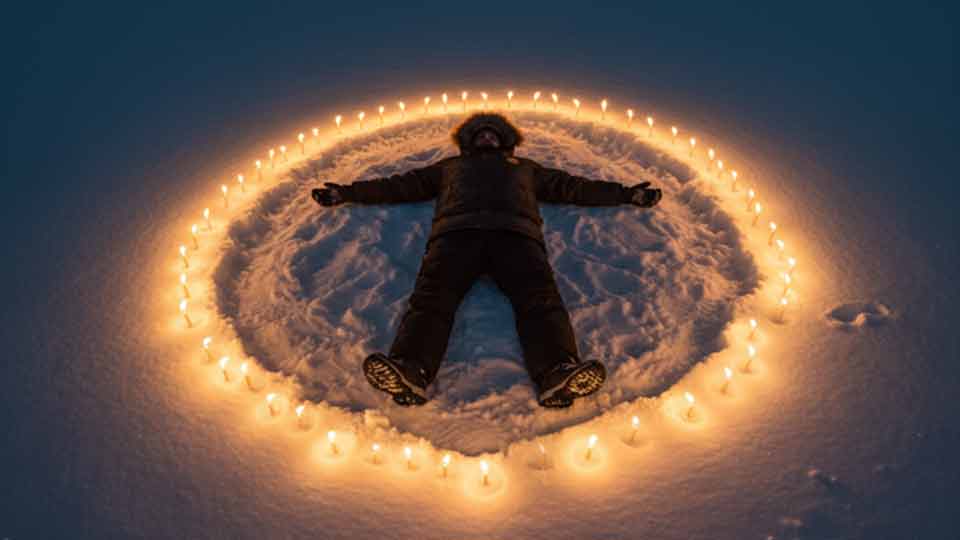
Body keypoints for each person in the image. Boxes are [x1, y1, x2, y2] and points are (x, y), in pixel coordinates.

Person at [312, 113, 662, 408]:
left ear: (505, 140)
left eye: (493, 133)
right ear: (468, 141)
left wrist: (626, 194)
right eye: (480, 133)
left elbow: (572, 187)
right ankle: (410, 370)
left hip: (516, 235)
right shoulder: (450, 167)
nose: (487, 137)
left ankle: (558, 373)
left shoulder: (525, 168)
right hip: (456, 234)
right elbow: (400, 185)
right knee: (432, 298)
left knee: (540, 299)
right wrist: (347, 192)